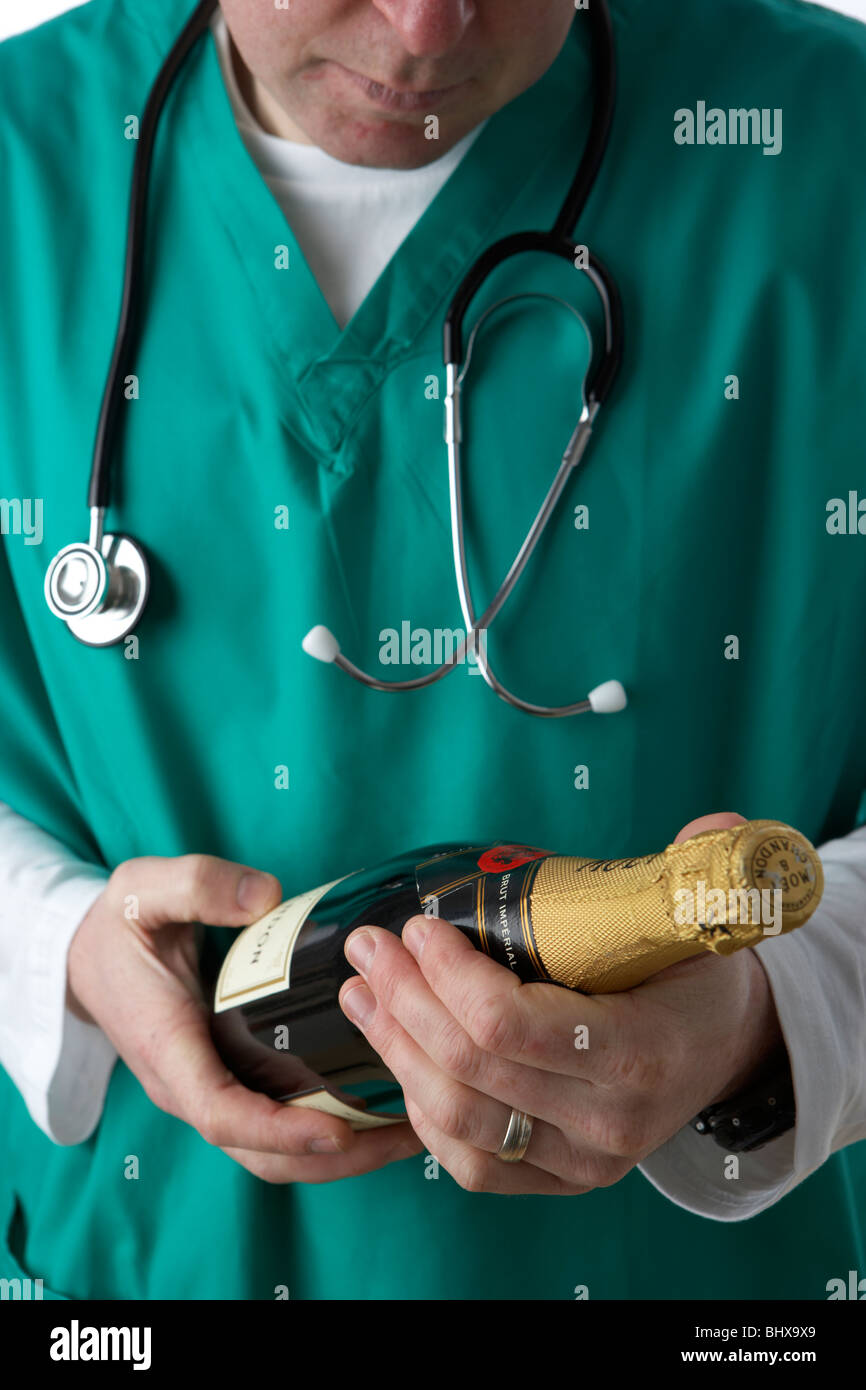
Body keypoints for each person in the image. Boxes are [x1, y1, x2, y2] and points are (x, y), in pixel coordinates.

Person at [0, 0, 864, 1302]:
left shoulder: (826, 147)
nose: (421, 28)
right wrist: (54, 940)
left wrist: (768, 1014)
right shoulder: (27, 154)